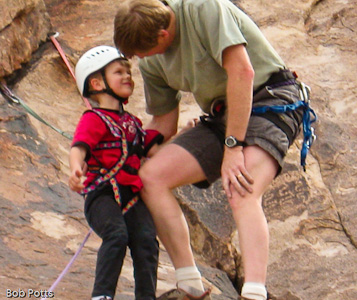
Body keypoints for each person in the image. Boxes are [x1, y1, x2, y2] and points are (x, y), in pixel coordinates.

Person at [114, 0, 309, 299]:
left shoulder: (203, 9)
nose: (141, 59)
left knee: (241, 184)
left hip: (271, 101)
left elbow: (242, 72)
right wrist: (130, 153)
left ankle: (254, 292)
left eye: (143, 51)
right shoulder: (152, 62)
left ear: (163, 35)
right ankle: (190, 284)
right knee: (151, 177)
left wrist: (233, 148)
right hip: (223, 116)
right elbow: (165, 120)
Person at [69, 45, 164, 300]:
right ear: (97, 83)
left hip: (131, 196)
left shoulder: (132, 122)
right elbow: (79, 146)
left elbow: (155, 150)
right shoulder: (94, 118)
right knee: (116, 235)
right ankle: (102, 295)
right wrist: (76, 168)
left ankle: (147, 296)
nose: (127, 77)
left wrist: (187, 134)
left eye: (128, 72)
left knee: (146, 239)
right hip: (101, 196)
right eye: (118, 72)